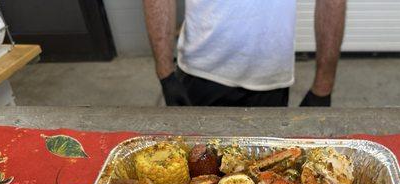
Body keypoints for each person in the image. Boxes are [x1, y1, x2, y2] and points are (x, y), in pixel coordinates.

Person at [143, 0, 346, 107]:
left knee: (265, 177)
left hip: (270, 78)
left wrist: (323, 86)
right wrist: (165, 74)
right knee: (197, 178)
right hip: (201, 72)